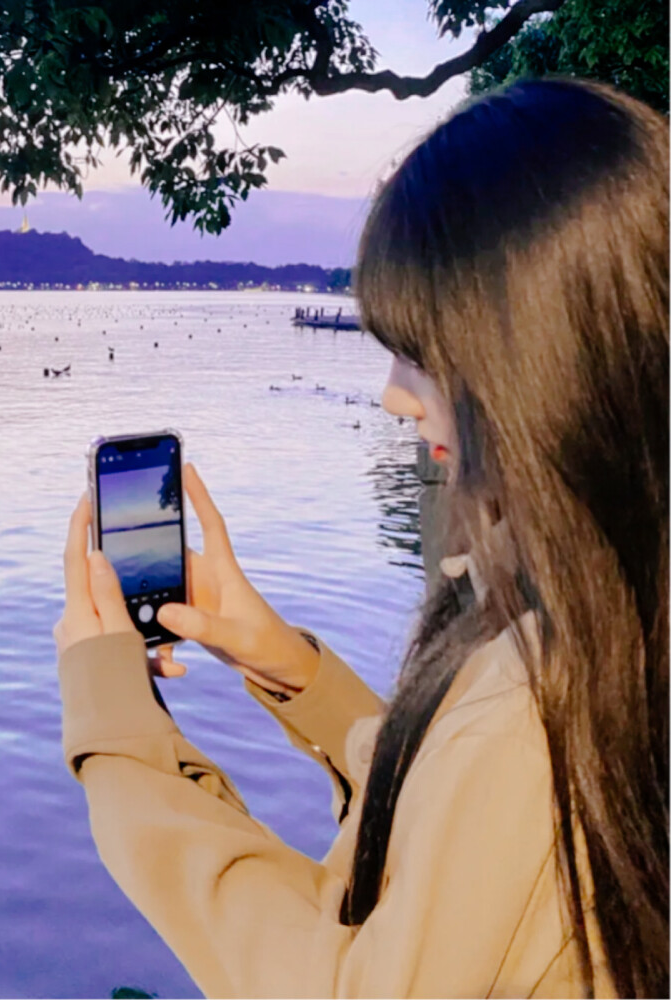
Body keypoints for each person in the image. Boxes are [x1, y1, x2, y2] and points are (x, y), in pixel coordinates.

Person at [54, 78, 668, 999]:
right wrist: (287, 667)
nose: (391, 392)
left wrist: (115, 728)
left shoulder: (541, 701)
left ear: (541, 359)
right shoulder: (616, 625)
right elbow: (457, 818)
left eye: (421, 352)